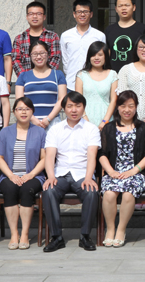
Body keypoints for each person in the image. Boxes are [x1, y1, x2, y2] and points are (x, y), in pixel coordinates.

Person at [41, 92, 101, 252]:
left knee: (91, 191)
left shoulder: (91, 129)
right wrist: (50, 176)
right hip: (60, 174)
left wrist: (89, 177)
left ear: (84, 108)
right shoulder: (55, 129)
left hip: (82, 174)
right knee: (49, 190)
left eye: (78, 106)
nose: (74, 110)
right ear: (63, 108)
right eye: (70, 106)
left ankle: (85, 236)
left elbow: (92, 155)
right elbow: (50, 156)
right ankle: (56, 237)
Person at [98, 90, 145, 248]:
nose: (127, 110)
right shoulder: (108, 128)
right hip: (113, 171)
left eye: (131, 106)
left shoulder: (143, 128)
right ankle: (110, 229)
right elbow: (102, 154)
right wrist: (110, 171)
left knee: (128, 194)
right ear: (117, 107)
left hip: (135, 173)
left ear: (136, 107)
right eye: (123, 106)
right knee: (109, 193)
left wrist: (133, 171)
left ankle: (121, 230)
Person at [0, 97, 46, 250]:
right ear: (14, 112)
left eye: (27, 109)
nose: (24, 112)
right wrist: (11, 175)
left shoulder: (40, 132)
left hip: (33, 175)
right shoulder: (5, 132)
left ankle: (24, 233)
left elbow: (44, 158)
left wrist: (30, 175)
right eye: (20, 109)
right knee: (10, 189)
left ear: (32, 112)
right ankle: (14, 234)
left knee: (26, 189)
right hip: (9, 175)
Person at [15, 41, 67, 132]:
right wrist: (33, 119)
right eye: (35, 54)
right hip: (29, 123)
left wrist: (48, 119)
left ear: (48, 54)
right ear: (30, 56)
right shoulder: (23, 76)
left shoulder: (58, 74)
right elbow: (19, 101)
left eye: (42, 53)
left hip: (53, 123)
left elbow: (62, 99)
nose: (39, 57)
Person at [60, 0, 106, 91]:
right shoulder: (65, 36)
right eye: (79, 12)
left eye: (85, 12)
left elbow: (103, 59)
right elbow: (65, 61)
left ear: (91, 14)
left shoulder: (99, 36)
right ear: (74, 14)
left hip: (93, 84)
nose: (82, 14)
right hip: (71, 84)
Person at [76, 41, 118, 129]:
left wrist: (105, 121)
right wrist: (85, 120)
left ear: (106, 56)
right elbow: (78, 100)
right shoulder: (81, 75)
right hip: (84, 120)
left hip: (106, 119)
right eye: (93, 55)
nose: (96, 58)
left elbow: (113, 100)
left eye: (100, 55)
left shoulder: (113, 74)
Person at [12, 1, 61, 76]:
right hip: (26, 80)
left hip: (47, 79)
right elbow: (16, 60)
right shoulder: (19, 39)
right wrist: (25, 77)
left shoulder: (53, 36)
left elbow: (55, 58)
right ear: (27, 17)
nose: (35, 16)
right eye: (31, 14)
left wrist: (45, 76)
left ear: (44, 17)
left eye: (38, 14)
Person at [105, 0, 145, 73]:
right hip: (114, 74)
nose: (123, 8)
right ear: (116, 9)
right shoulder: (109, 30)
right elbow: (107, 54)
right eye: (120, 6)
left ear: (134, 7)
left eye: (127, 5)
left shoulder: (143, 29)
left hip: (136, 74)